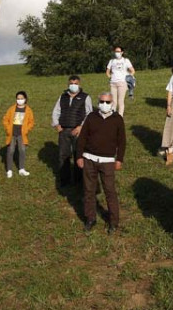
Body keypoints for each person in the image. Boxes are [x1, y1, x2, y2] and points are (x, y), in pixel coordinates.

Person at [76, 92, 126, 232]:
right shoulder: (91, 117)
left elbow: (122, 142)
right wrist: (79, 156)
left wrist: (119, 159)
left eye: (108, 102)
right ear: (98, 102)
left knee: (110, 191)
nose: (105, 104)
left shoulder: (117, 119)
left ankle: (113, 222)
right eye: (102, 101)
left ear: (112, 103)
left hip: (108, 161)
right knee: (89, 190)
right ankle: (90, 218)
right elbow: (82, 138)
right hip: (89, 159)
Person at [51, 75, 93, 183]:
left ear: (79, 84)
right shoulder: (62, 96)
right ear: (68, 84)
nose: (73, 85)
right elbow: (56, 111)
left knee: (78, 155)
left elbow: (89, 114)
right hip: (63, 130)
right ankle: (64, 180)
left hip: (78, 131)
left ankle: (78, 180)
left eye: (75, 83)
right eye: (71, 83)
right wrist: (57, 125)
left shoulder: (85, 97)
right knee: (63, 155)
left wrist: (81, 127)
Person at [2, 91, 35, 178]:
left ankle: (21, 169)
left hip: (22, 134)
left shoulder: (28, 110)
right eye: (18, 98)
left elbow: (31, 122)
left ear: (25, 99)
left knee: (22, 150)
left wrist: (27, 130)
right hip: (12, 133)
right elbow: (5, 119)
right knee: (11, 150)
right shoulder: (11, 109)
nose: (20, 100)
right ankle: (9, 170)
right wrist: (8, 129)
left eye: (21, 98)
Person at [106, 46, 135, 117]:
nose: (117, 53)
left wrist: (128, 77)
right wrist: (110, 77)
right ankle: (112, 115)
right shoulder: (112, 61)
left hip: (122, 83)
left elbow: (133, 71)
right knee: (113, 101)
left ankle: (120, 117)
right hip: (113, 83)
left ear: (122, 52)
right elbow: (107, 72)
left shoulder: (126, 60)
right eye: (116, 51)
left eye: (118, 51)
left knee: (120, 101)